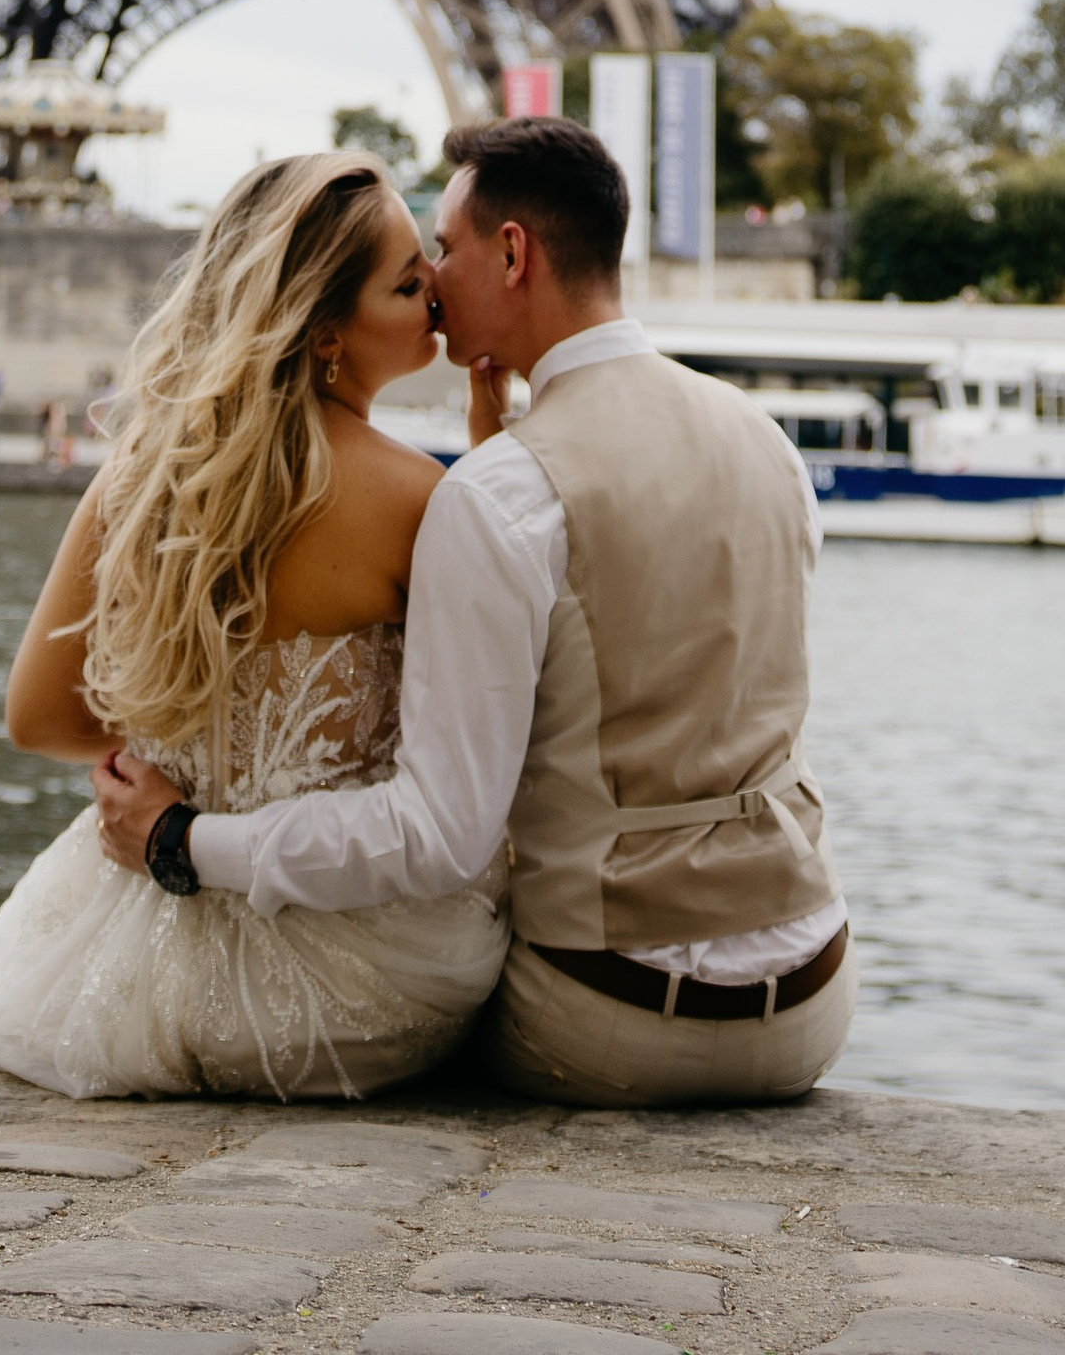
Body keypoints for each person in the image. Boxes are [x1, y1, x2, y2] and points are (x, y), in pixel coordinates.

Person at [97, 113, 854, 1108]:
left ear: (512, 252)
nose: (433, 281)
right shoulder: (767, 444)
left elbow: (436, 836)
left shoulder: (503, 494)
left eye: (443, 249)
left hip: (616, 1020)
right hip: (811, 1002)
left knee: (390, 995)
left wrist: (182, 843)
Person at [0, 152, 504, 1098]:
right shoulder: (421, 500)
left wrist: (180, 728)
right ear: (324, 335)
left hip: (135, 967)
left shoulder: (145, 480)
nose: (434, 287)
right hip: (364, 998)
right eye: (404, 282)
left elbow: (36, 719)